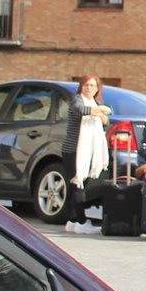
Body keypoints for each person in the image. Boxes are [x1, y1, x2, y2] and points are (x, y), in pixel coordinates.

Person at [61, 75, 111, 234]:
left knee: (75, 186)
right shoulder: (77, 100)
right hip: (74, 150)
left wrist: (102, 115)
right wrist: (100, 111)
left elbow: (106, 122)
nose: (89, 88)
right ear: (81, 87)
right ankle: (81, 221)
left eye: (92, 86)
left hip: (88, 151)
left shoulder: (95, 103)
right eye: (86, 85)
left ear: (97, 89)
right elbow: (80, 111)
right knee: (79, 185)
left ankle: (72, 220)